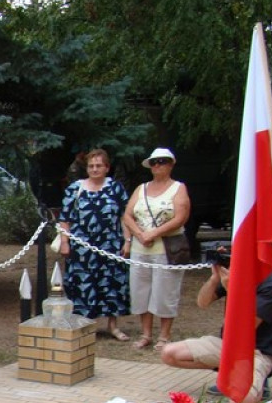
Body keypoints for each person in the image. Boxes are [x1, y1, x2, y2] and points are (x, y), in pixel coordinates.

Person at [161, 245, 272, 403]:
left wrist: (232, 289)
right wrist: (214, 278)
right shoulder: (236, 271)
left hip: (257, 351)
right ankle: (231, 374)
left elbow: (247, 326)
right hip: (228, 345)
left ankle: (254, 381)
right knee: (169, 353)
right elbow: (202, 303)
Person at [122, 147, 191, 352]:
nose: (158, 166)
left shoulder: (178, 188)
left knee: (165, 291)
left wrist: (155, 233)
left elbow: (180, 217)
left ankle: (164, 335)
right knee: (141, 290)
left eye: (162, 161)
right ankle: (146, 333)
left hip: (167, 248)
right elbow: (127, 215)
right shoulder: (141, 188)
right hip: (140, 248)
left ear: (171, 164)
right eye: (154, 162)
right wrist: (140, 234)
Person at [58, 148, 131, 340]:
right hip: (82, 247)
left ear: (107, 167)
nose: (95, 169)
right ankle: (85, 325)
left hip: (110, 244)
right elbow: (64, 219)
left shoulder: (115, 188)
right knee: (83, 285)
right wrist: (64, 242)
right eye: (91, 166)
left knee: (112, 285)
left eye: (99, 165)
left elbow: (125, 217)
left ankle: (113, 326)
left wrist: (128, 241)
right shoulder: (75, 188)